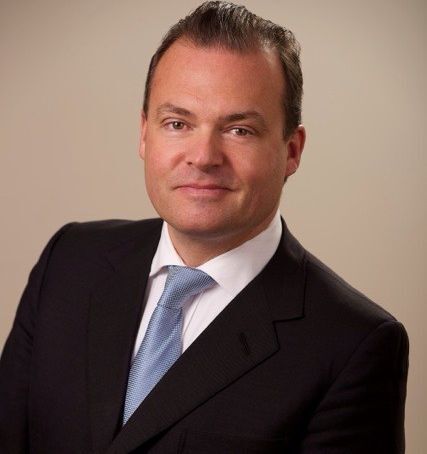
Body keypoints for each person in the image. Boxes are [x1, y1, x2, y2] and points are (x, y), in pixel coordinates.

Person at [0, 2, 409, 453]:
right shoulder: (68, 261)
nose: (203, 157)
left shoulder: (353, 344)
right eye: (178, 123)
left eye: (239, 130)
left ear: (292, 150)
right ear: (144, 134)